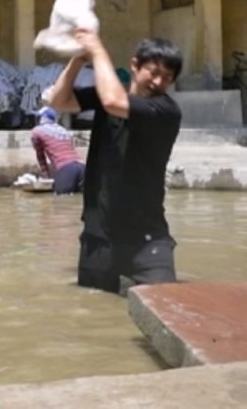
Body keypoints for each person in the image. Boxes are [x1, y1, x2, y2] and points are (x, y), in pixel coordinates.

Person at [49, 33, 183, 294]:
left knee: (167, 305)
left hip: (147, 239)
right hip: (99, 235)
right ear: (134, 66)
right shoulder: (106, 98)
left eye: (167, 78)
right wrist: (77, 61)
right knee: (94, 313)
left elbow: (113, 101)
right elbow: (58, 101)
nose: (158, 82)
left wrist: (98, 50)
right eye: (153, 72)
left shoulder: (165, 110)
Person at [31, 106, 85, 194]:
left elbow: (41, 157)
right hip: (82, 167)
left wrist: (46, 177)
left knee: (61, 201)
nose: (35, 120)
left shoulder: (37, 131)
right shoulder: (63, 130)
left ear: (42, 118)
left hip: (66, 169)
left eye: (38, 117)